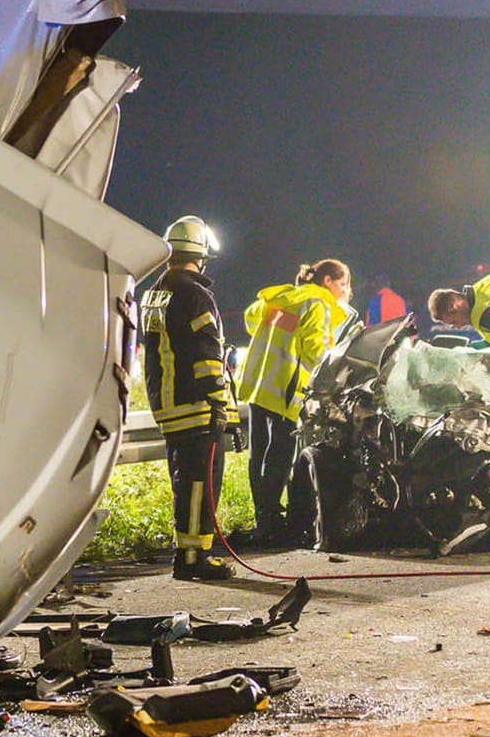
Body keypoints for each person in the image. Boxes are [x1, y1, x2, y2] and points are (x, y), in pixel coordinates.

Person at [141, 215, 239, 581]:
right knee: (201, 483)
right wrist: (218, 403)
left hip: (168, 405)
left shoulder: (157, 292)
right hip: (197, 404)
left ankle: (186, 552)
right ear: (201, 255)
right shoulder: (195, 294)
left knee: (184, 482)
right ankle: (197, 557)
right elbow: (207, 354)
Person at [235, 259, 353, 547]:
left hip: (260, 388)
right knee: (280, 458)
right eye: (343, 284)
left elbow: (252, 320)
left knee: (258, 456)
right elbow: (316, 351)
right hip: (286, 392)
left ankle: (264, 519)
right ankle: (275, 524)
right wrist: (342, 373)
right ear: (327, 281)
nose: (346, 291)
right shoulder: (318, 302)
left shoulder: (282, 298)